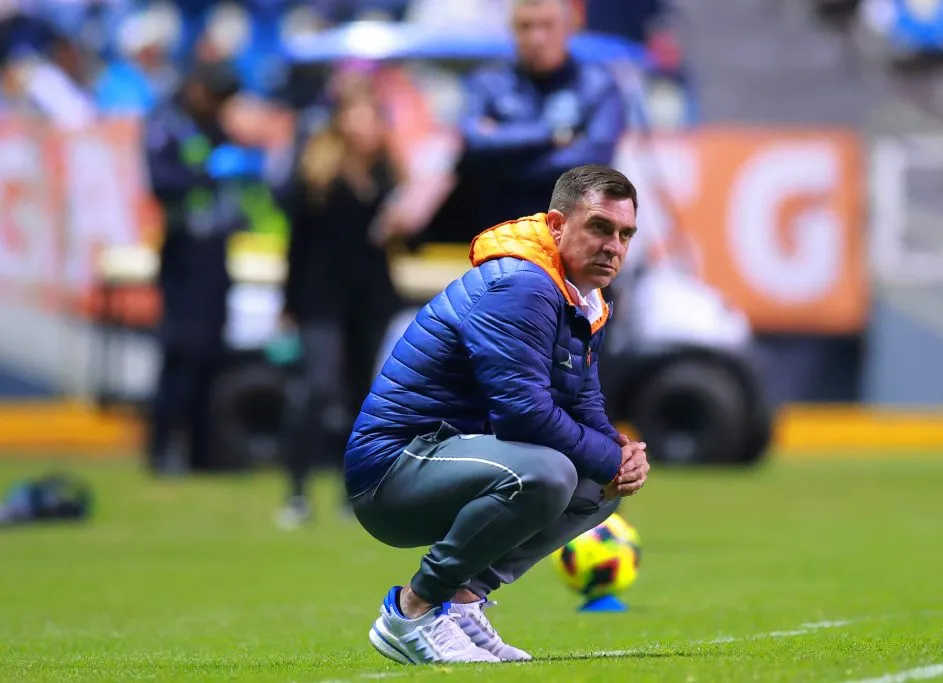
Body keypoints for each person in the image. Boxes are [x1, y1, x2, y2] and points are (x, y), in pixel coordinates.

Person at [344, 164, 651, 664]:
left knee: (600, 486)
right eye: (600, 227)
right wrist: (607, 456)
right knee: (550, 472)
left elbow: (583, 402)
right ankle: (413, 610)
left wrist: (620, 456)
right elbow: (523, 414)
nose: (613, 246)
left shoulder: (580, 293)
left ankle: (463, 603)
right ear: (557, 226)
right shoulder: (522, 285)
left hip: (455, 459)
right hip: (391, 472)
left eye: (625, 234)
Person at [275, 81, 414, 527]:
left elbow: (405, 239)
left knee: (360, 396)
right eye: (357, 116)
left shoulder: (388, 172)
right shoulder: (318, 170)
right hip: (320, 295)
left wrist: (404, 226)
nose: (364, 126)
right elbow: (298, 239)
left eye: (371, 117)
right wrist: (288, 300)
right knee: (318, 387)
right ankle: (296, 490)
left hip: (369, 297)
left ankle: (348, 491)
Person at [144, 60, 263, 474]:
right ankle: (162, 449)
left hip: (215, 251)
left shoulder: (215, 127)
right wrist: (204, 174)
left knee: (211, 353)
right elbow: (161, 182)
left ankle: (201, 453)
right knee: (182, 351)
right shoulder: (168, 124)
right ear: (198, 90)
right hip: (184, 252)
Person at [456, 0, 627, 232]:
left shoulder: (598, 86)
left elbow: (593, 161)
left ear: (569, 27)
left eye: (547, 25)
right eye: (526, 26)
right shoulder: (487, 83)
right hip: (499, 232)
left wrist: (504, 159)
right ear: (512, 29)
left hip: (571, 235)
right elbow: (475, 143)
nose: (537, 38)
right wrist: (552, 135)